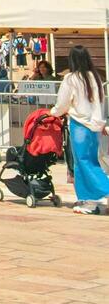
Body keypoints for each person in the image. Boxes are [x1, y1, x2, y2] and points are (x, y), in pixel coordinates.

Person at [51, 45, 108, 215]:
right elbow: (100, 103)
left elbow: (62, 103)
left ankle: (96, 194)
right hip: (94, 126)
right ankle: (89, 201)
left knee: (82, 162)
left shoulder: (71, 78)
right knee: (91, 161)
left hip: (79, 124)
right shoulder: (95, 78)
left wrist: (53, 113)